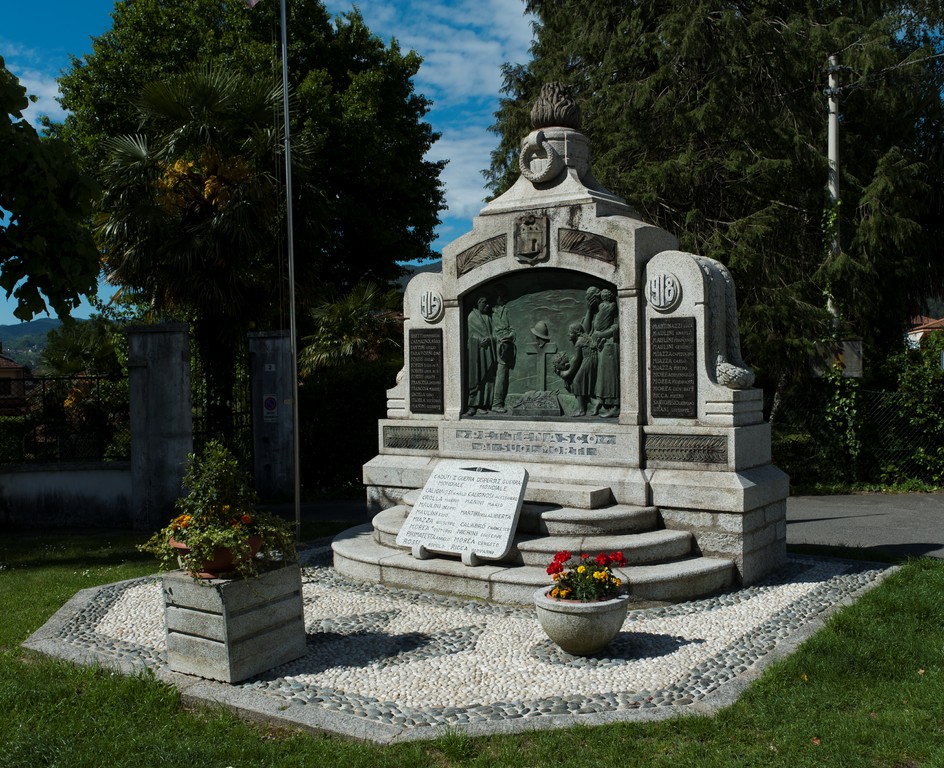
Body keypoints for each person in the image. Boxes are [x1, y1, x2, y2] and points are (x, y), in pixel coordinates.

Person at [465, 296, 496, 415]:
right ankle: (473, 405)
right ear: (478, 303)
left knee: (488, 378)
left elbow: (494, 335)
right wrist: (478, 341)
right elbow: (469, 336)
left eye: (488, 303)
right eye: (484, 303)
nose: (487, 306)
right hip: (476, 353)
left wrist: (490, 339)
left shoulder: (488, 318)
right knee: (476, 377)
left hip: (488, 352)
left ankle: (485, 404)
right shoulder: (471, 317)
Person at [591, 288, 619, 417]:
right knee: (603, 376)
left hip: (610, 345)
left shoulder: (612, 307)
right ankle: (602, 402)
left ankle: (615, 406)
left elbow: (617, 325)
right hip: (603, 345)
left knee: (611, 376)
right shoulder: (604, 307)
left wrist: (601, 334)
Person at [491, 294, 515, 413]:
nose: (502, 299)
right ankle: (496, 403)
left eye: (503, 296)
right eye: (499, 295)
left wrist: (509, 337)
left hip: (505, 346)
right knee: (499, 374)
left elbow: (512, 330)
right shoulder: (491, 312)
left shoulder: (507, 310)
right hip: (493, 344)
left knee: (503, 373)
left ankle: (499, 402)